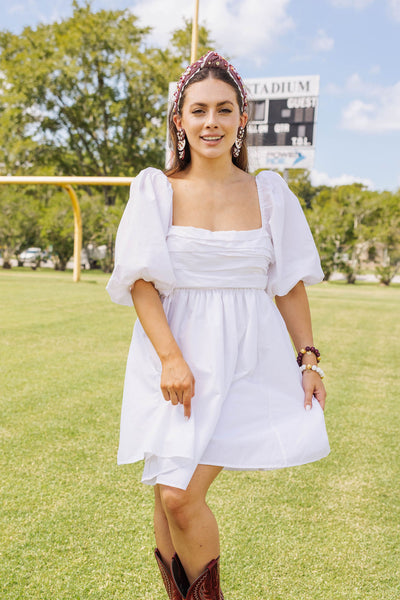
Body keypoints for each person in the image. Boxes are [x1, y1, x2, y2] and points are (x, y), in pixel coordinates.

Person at [106, 51, 330, 600]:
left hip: (249, 361)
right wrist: (172, 358)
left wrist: (308, 358)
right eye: (199, 109)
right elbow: (141, 283)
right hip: (174, 358)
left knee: (181, 496)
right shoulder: (156, 190)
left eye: (224, 110)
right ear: (178, 120)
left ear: (242, 119)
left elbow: (289, 285)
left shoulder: (270, 193)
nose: (212, 122)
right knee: (165, 495)